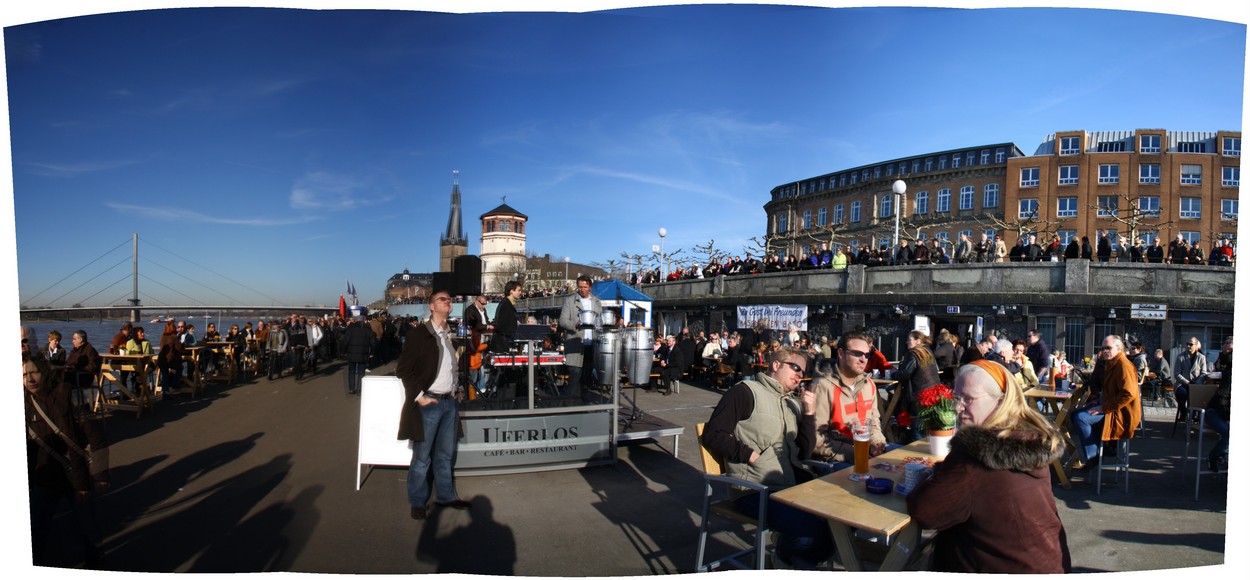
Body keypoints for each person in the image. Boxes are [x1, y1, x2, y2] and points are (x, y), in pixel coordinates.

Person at [906, 360, 1072, 573]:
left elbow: (924, 510)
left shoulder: (975, 455)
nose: (958, 407)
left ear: (1001, 401)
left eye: (969, 399)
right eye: (957, 397)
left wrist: (924, 479)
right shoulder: (1027, 438)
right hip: (1049, 564)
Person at [701, 345, 833, 568]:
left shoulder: (791, 402)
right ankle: (786, 555)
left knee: (839, 520)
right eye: (795, 368)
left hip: (788, 485)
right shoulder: (745, 391)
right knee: (810, 532)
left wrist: (809, 413)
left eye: (803, 371)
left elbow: (804, 450)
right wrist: (750, 455)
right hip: (753, 489)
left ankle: (791, 557)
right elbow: (713, 434)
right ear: (775, 365)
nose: (801, 375)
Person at [25, 353, 108, 567]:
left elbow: (95, 436)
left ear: (44, 372)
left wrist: (100, 475)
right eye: (24, 375)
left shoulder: (67, 393)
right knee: (37, 530)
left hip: (76, 477)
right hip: (44, 478)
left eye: (33, 372)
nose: (30, 379)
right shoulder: (24, 403)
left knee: (86, 530)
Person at [395, 288, 471, 520]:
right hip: (430, 401)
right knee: (422, 457)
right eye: (443, 299)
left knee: (445, 455)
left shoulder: (449, 333)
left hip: (449, 402)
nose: (448, 302)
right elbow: (403, 370)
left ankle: (446, 496)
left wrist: (457, 388)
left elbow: (451, 367)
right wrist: (419, 396)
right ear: (431, 306)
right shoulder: (420, 334)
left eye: (450, 299)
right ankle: (418, 501)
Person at [1070, 335, 1141, 468]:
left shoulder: (1124, 365)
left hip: (1121, 414)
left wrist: (1104, 407)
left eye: (1108, 348)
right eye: (1103, 348)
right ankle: (1097, 448)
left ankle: (1093, 456)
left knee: (1081, 418)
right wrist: (1097, 400)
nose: (1104, 351)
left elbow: (1128, 394)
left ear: (1119, 348)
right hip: (1111, 407)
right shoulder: (1111, 363)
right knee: (1073, 414)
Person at [558, 276, 603, 395]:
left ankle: (583, 404)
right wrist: (575, 324)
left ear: (590, 287)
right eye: (580, 287)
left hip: (591, 344)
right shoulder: (570, 301)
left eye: (585, 287)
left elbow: (600, 320)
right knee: (575, 376)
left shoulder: (596, 302)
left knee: (587, 378)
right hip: (576, 343)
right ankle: (570, 405)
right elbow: (562, 321)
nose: (582, 289)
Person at [895, 330, 941, 441]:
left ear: (918, 341)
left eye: (909, 339)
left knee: (918, 427)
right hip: (934, 394)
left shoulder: (914, 353)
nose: (907, 342)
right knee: (927, 427)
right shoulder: (927, 351)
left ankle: (917, 455)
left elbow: (904, 374)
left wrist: (893, 373)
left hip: (920, 396)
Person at [1173, 337, 1208, 411]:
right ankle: (1183, 411)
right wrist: (1187, 382)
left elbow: (1204, 373)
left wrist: (1196, 384)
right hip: (1183, 384)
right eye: (1187, 344)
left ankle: (1195, 414)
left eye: (1191, 344)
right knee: (1181, 394)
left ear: (1196, 346)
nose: (1188, 346)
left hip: (1196, 384)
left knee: (1200, 396)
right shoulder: (1180, 357)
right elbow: (1177, 374)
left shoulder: (1201, 357)